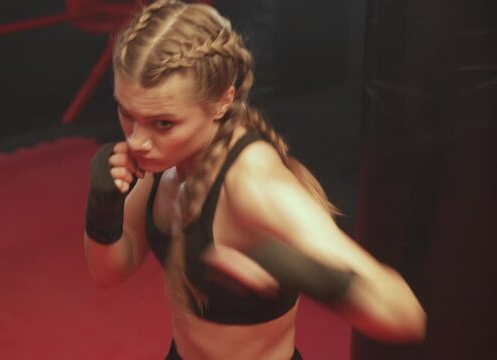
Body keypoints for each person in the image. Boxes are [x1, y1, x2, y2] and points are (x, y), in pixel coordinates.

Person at [83, 1, 426, 359]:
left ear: (222, 101)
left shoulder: (254, 186)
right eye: (127, 113)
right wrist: (102, 208)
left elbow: (405, 314)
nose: (137, 140)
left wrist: (298, 269)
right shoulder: (154, 160)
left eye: (163, 123)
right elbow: (109, 271)